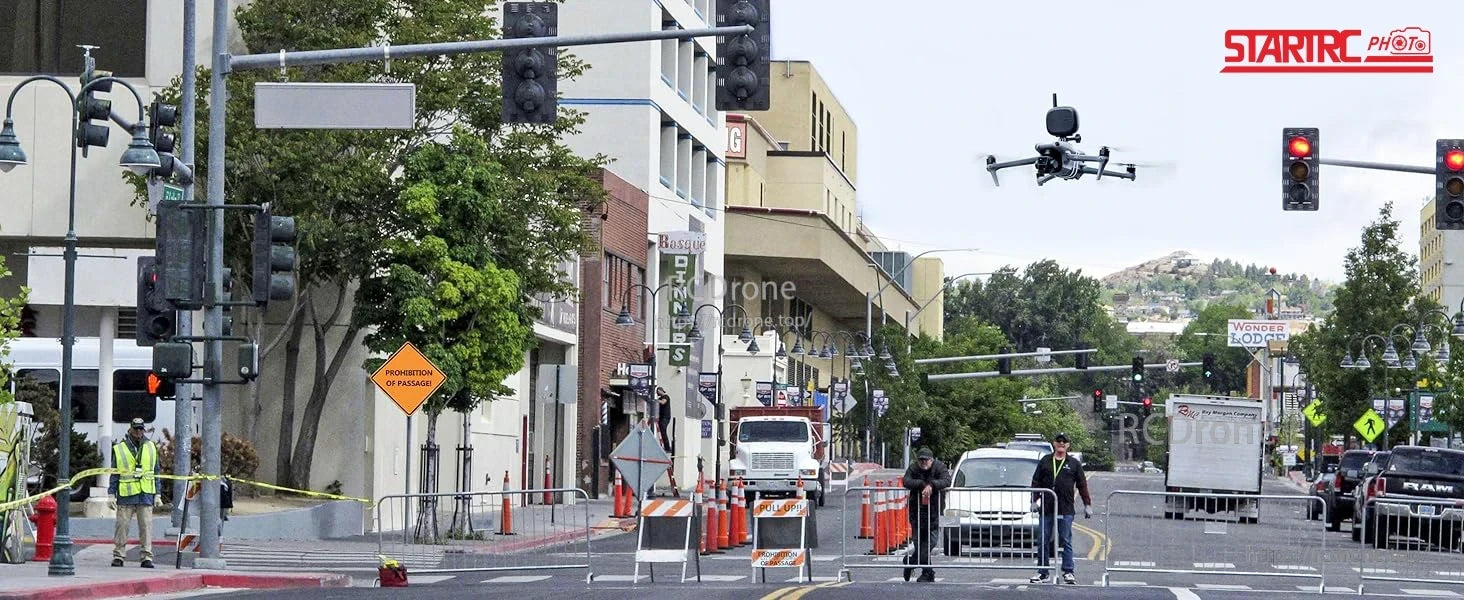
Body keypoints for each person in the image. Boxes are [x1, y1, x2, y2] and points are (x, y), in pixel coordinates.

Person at [1028, 432, 1091, 584]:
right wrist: (1033, 500)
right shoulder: (1045, 461)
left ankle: (1068, 572)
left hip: (1066, 507)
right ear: (1054, 443)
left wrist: (1087, 504)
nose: (1061, 444)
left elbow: (1082, 485)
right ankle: (1043, 572)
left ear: (1068, 445)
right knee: (1043, 539)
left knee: (1065, 540)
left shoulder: (1074, 464)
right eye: (1058, 441)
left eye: (1064, 442)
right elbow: (1036, 481)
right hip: (1048, 507)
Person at [109, 418, 160, 568]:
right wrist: (111, 493)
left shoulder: (151, 447)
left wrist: (158, 493)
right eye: (135, 429)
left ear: (144, 430)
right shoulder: (120, 448)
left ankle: (146, 557)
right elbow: (115, 473)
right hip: (126, 495)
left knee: (146, 527)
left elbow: (156, 471)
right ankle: (119, 555)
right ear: (130, 429)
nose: (138, 432)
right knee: (122, 527)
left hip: (146, 494)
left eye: (140, 429)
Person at [901, 448, 951, 583]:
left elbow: (947, 480)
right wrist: (922, 484)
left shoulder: (940, 467)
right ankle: (927, 573)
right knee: (919, 543)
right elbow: (906, 481)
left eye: (926, 460)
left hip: (934, 512)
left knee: (930, 542)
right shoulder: (913, 468)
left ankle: (911, 561)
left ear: (932, 460)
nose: (923, 462)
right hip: (917, 512)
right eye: (921, 460)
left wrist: (932, 485)